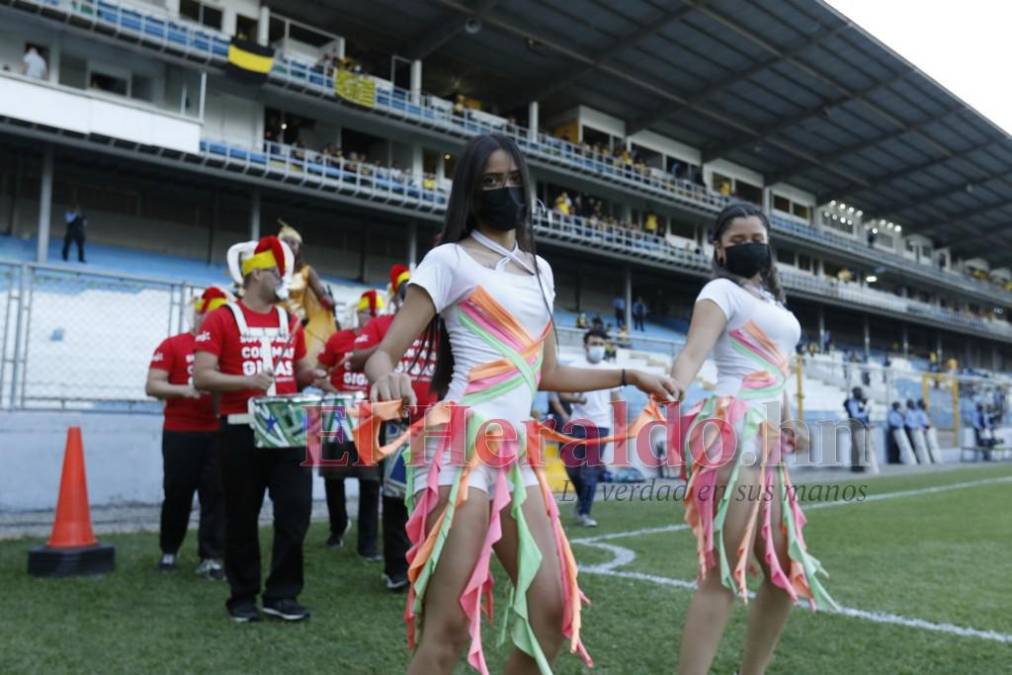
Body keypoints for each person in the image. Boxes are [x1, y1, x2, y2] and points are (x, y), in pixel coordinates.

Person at [363, 133, 679, 674]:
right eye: (491, 181)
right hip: (460, 445)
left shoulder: (540, 270)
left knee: (553, 612)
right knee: (449, 628)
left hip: (516, 450)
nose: (505, 190)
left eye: (513, 179)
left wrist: (629, 373)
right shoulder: (448, 260)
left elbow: (548, 372)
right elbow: (381, 355)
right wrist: (387, 377)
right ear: (470, 190)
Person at [669, 202, 836, 675]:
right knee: (722, 570)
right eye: (737, 240)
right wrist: (676, 383)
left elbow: (773, 371)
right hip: (734, 430)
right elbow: (694, 352)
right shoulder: (720, 291)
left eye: (756, 238)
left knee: (783, 573)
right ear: (719, 250)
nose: (748, 246)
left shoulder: (772, 304)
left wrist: (789, 420)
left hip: (767, 439)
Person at [193, 235, 327, 623]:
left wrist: (313, 375)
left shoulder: (289, 318)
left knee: (295, 512)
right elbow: (202, 376)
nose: (283, 278)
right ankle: (243, 595)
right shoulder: (222, 317)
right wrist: (246, 381)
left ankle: (282, 594)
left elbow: (297, 368)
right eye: (276, 272)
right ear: (255, 275)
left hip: (288, 425)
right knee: (241, 514)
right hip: (241, 427)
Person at [348, 265, 434, 591]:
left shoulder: (439, 329)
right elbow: (355, 360)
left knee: (436, 498)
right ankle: (397, 569)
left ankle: (430, 563)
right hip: (398, 423)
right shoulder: (383, 324)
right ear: (400, 296)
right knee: (397, 498)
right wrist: (390, 344)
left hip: (439, 422)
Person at [146, 287, 229, 578]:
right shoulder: (173, 345)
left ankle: (211, 556)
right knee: (177, 492)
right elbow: (153, 385)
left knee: (215, 494)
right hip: (181, 431)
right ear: (199, 314)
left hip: (217, 431)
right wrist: (185, 390)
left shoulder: (228, 346)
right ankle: (169, 549)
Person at [315, 290, 384, 557]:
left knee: (370, 480)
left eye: (376, 314)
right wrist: (330, 388)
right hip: (338, 411)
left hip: (369, 416)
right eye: (368, 313)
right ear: (359, 312)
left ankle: (367, 544)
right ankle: (337, 527)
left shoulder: (384, 343)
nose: (371, 318)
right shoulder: (339, 340)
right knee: (334, 475)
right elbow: (319, 373)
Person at [561, 328, 622, 527]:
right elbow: (563, 394)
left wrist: (620, 425)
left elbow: (616, 399)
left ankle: (584, 512)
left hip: (601, 426)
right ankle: (582, 501)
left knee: (589, 471)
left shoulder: (611, 370)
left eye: (600, 343)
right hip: (577, 424)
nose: (597, 347)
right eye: (593, 343)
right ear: (585, 345)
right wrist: (578, 397)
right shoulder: (575, 367)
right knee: (571, 469)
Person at [277, 221, 336, 362]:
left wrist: (329, 301)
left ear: (299, 248)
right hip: (272, 321)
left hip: (297, 325)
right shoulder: (270, 269)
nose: (290, 246)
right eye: (286, 242)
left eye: (294, 243)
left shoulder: (307, 271)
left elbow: (322, 295)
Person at [844, 387, 878, 474]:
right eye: (860, 392)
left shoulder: (860, 402)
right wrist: (866, 413)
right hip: (857, 426)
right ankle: (858, 466)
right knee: (860, 447)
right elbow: (856, 415)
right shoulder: (852, 403)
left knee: (865, 446)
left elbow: (865, 416)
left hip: (863, 426)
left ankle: (860, 466)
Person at [917, 399, 942, 463]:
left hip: (926, 430)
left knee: (930, 446)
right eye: (923, 403)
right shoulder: (919, 412)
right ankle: (925, 459)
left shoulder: (924, 412)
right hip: (923, 431)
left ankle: (933, 459)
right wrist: (927, 428)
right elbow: (923, 424)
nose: (925, 405)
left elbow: (928, 422)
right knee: (924, 446)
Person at [905, 399, 930, 463]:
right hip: (916, 430)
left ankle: (923, 459)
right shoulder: (916, 412)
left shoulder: (920, 412)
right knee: (918, 445)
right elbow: (913, 423)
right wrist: (923, 428)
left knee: (922, 445)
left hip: (920, 430)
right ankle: (918, 459)